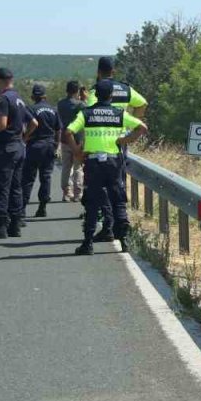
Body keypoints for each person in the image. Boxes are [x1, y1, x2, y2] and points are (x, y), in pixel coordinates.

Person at [64, 79, 148, 255]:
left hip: (93, 163)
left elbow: (68, 132)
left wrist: (77, 151)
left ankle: (87, 243)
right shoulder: (118, 113)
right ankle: (124, 241)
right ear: (111, 96)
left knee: (92, 202)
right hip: (113, 161)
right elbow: (141, 127)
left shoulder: (86, 113)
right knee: (117, 199)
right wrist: (124, 141)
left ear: (96, 95)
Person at [86, 56, 149, 241]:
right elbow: (143, 104)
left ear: (98, 72)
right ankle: (119, 226)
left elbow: (90, 114)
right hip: (121, 143)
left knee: (101, 188)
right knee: (117, 185)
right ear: (114, 71)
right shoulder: (126, 89)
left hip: (101, 145)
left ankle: (108, 227)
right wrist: (129, 129)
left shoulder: (95, 91)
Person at [0, 68, 37, 239]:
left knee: (0, 187)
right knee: (15, 187)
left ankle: (0, 225)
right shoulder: (19, 98)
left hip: (5, 148)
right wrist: (24, 138)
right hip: (19, 147)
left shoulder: (4, 99)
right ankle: (15, 224)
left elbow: (2, 124)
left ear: (0, 80)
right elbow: (34, 123)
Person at [21, 83, 62, 217]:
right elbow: (58, 129)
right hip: (49, 145)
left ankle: (22, 209)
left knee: (28, 178)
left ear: (33, 96)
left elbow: (26, 126)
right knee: (46, 177)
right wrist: (56, 144)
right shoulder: (53, 110)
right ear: (45, 96)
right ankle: (42, 206)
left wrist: (25, 137)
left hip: (34, 145)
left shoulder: (30, 109)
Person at [56, 80, 85, 203]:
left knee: (66, 167)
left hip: (64, 139)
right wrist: (84, 99)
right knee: (77, 167)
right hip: (77, 139)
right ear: (77, 91)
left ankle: (67, 193)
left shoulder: (60, 104)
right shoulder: (80, 105)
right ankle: (78, 193)